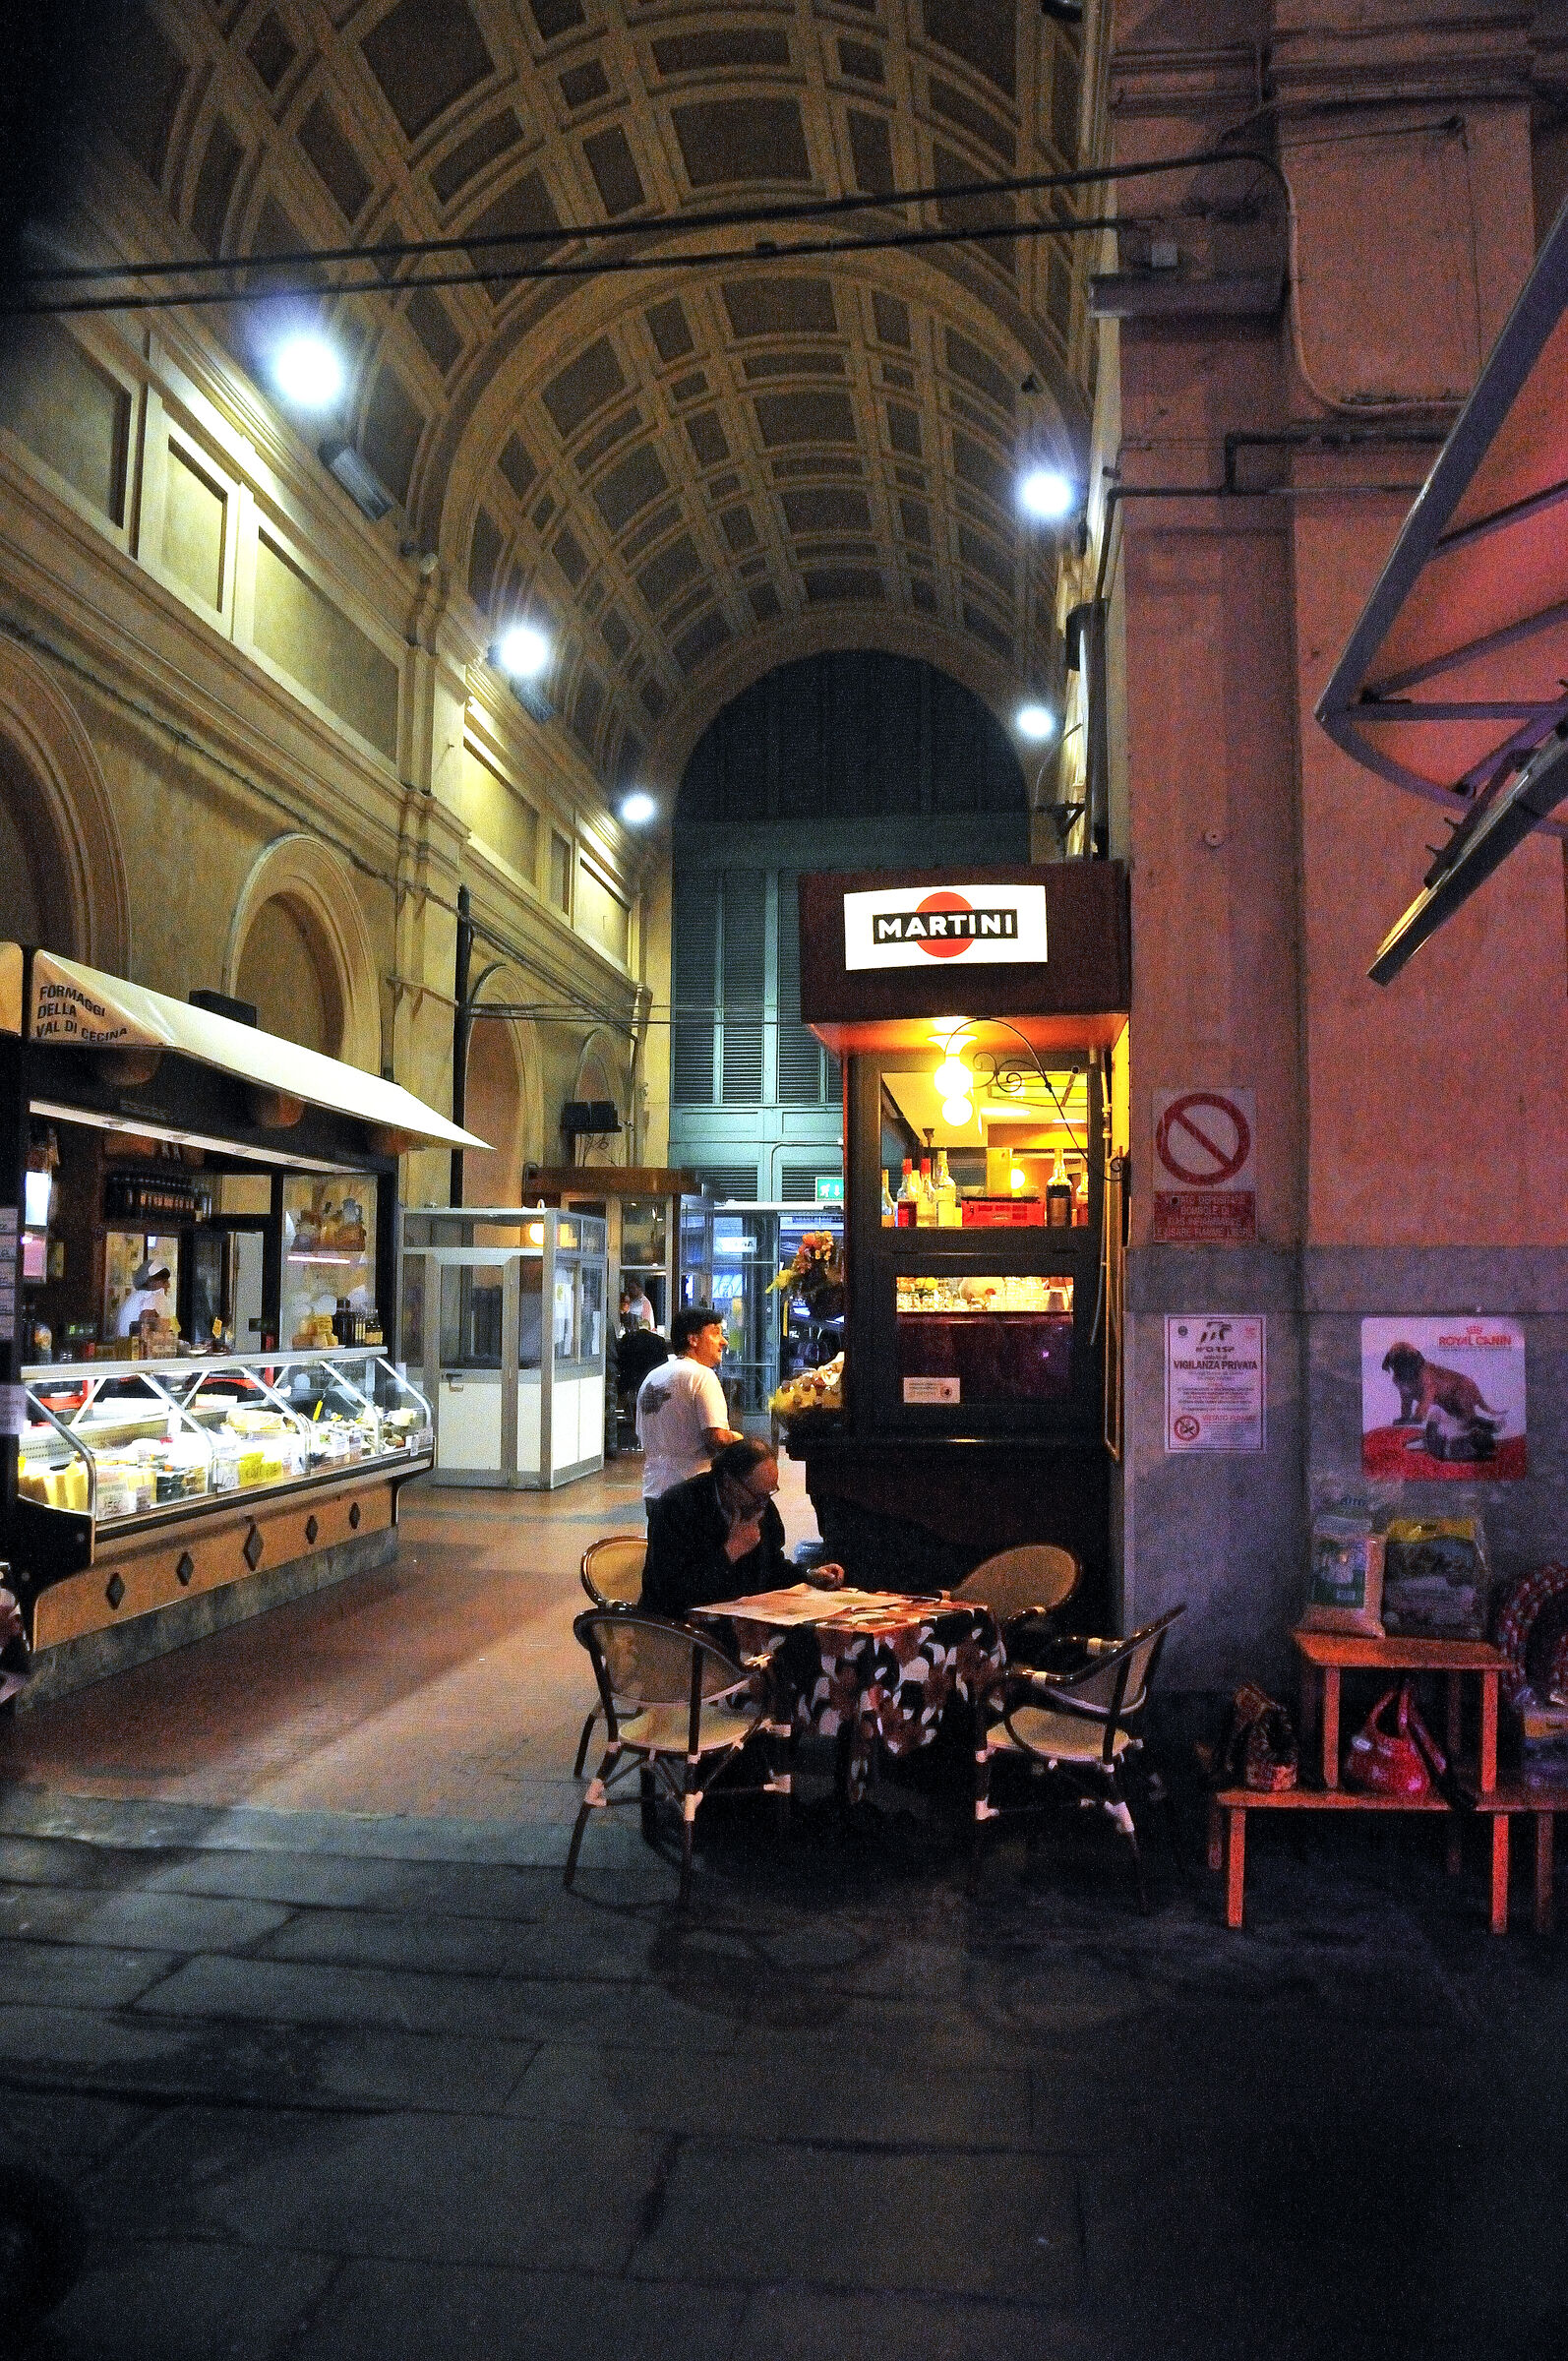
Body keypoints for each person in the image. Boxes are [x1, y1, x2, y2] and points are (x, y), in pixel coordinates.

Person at [641, 1436, 845, 1619]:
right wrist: (732, 1550)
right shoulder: (676, 1507)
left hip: (742, 1617)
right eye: (758, 1495)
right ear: (729, 1482)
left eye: (770, 1492)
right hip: (678, 1629)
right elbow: (675, 1592)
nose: (764, 1503)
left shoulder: (759, 1505)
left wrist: (809, 1574)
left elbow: (772, 1567)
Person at [635, 1303, 739, 1505]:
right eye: (716, 1333)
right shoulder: (702, 1376)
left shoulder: (652, 1377)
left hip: (654, 1490)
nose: (724, 1341)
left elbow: (642, 1434)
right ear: (693, 1339)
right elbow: (716, 1438)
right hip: (693, 1490)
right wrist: (737, 1438)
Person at [115, 1260, 172, 1338]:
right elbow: (147, 1330)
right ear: (151, 1281)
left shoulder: (137, 1295)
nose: (168, 1285)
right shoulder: (149, 1296)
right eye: (164, 1281)